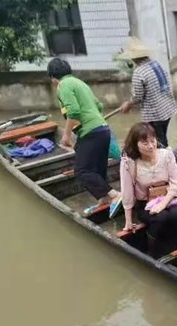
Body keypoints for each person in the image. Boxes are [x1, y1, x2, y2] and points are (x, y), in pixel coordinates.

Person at [47, 57, 122, 217]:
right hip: (102, 129)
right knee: (97, 169)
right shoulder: (79, 83)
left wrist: (66, 136)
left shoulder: (63, 85)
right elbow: (99, 106)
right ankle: (104, 198)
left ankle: (115, 195)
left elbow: (73, 112)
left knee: (82, 170)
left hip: (91, 132)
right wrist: (94, 119)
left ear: (53, 77)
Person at [120, 122, 177, 258]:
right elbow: (127, 192)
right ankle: (154, 251)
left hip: (169, 198)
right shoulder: (129, 163)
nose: (151, 146)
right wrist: (128, 221)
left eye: (153, 141)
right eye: (145, 143)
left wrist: (163, 204)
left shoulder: (166, 155)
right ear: (135, 145)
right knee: (161, 218)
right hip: (145, 204)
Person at [118, 37, 177, 148]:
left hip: (155, 114)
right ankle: (167, 158)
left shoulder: (139, 72)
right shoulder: (156, 64)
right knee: (162, 138)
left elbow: (138, 96)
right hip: (168, 109)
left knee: (157, 142)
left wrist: (128, 104)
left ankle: (165, 161)